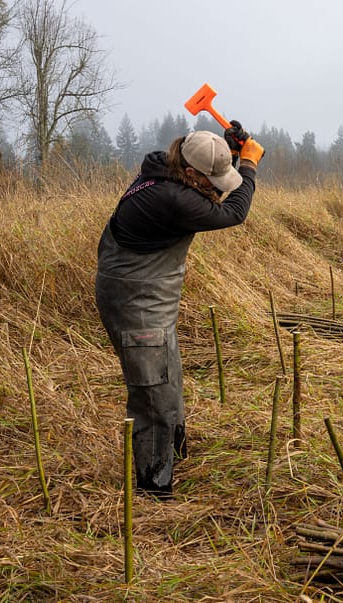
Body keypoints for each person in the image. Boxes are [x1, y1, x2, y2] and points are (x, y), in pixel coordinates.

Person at [95, 124, 265, 499]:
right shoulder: (170, 199)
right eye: (210, 177)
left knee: (167, 378)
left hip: (150, 296)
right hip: (135, 302)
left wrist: (230, 154)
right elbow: (233, 212)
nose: (215, 185)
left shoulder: (165, 167)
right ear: (189, 173)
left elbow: (215, 188)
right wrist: (249, 165)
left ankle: (172, 455)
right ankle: (153, 489)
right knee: (153, 393)